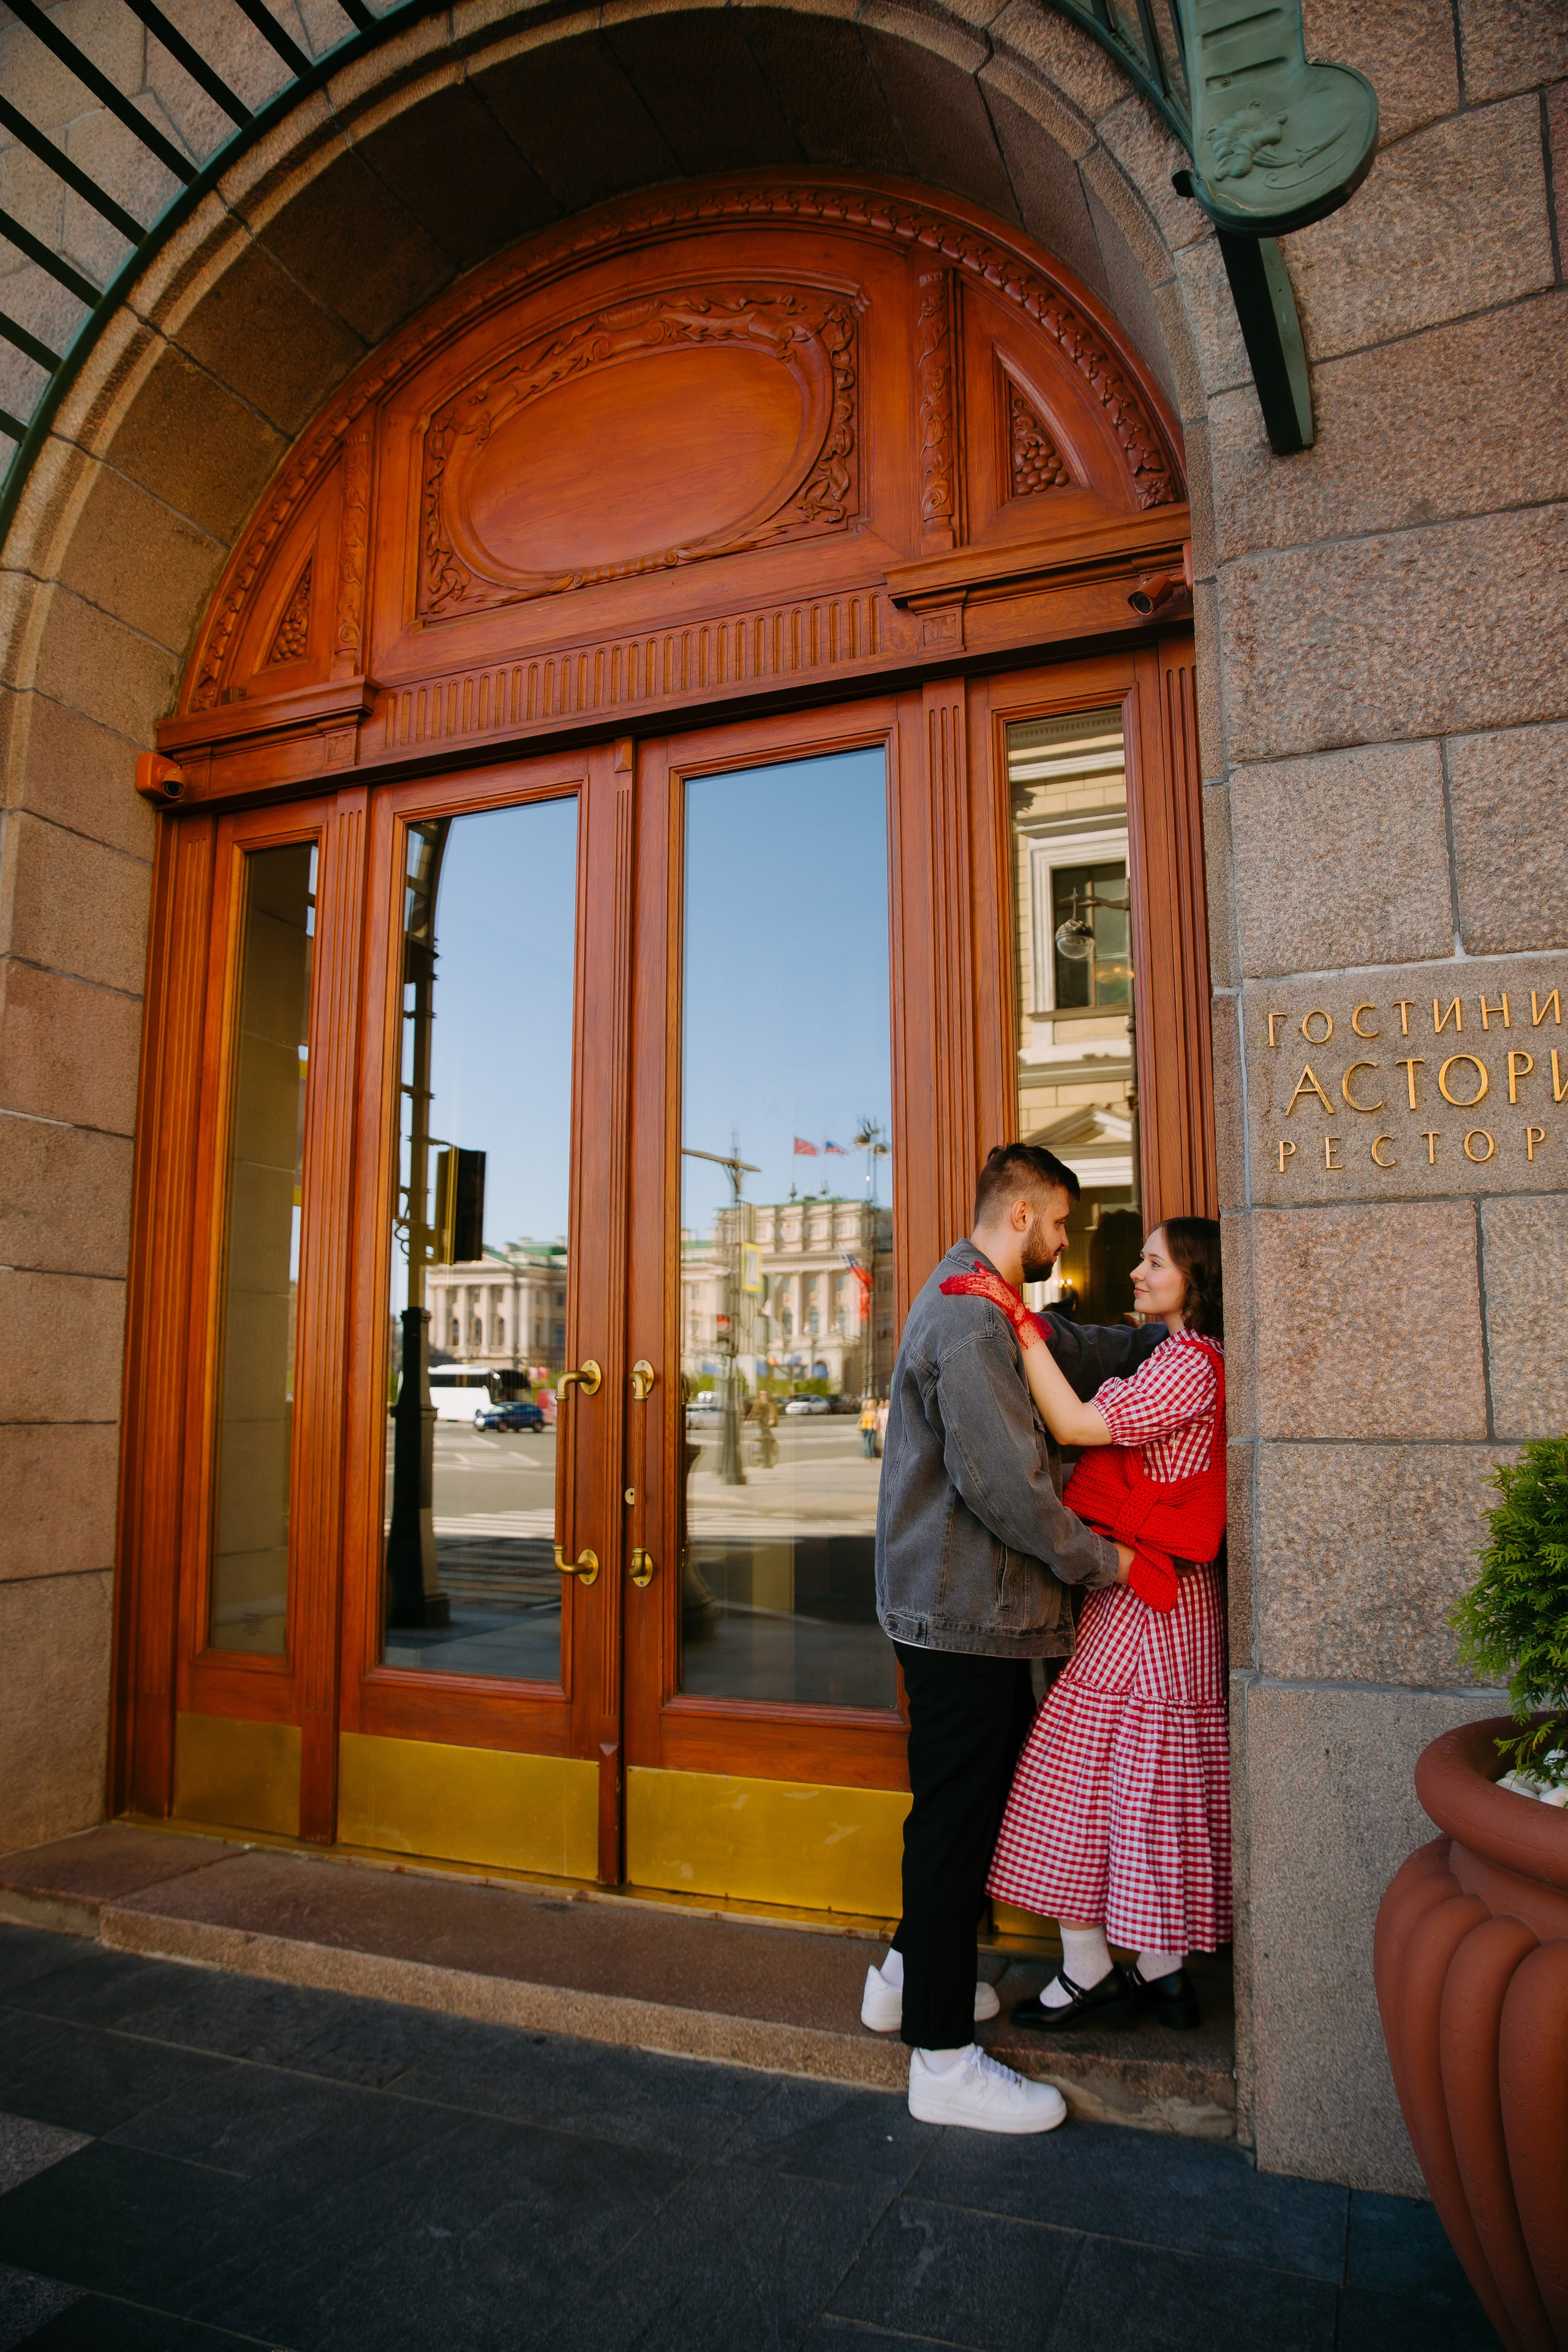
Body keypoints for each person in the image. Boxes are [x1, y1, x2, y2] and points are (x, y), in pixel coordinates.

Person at [865, 1143, 1163, 2133]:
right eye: (1065, 1224)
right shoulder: (966, 1316)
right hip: (964, 1618)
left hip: (961, 1613)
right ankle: (942, 2063)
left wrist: (1167, 1340)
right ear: (1025, 1215)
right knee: (955, 1829)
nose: (1070, 1242)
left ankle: (906, 1979)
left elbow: (1071, 1351)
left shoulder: (993, 1305)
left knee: (955, 1812)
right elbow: (1006, 1489)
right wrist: (1107, 1564)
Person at [944, 1219, 1228, 2036]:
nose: (1136, 1272)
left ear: (1194, 1279)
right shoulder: (1182, 1360)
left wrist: (1018, 1318)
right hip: (1160, 1594)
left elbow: (1073, 1427)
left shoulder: (1190, 1363)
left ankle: (1092, 1969)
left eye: (1154, 1261)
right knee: (1144, 1780)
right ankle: (1164, 1976)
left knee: (1080, 1775)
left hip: (1148, 1599)